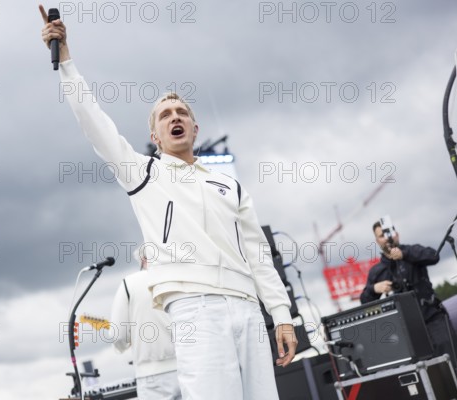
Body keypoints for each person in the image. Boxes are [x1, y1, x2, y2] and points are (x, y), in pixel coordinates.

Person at [39, 6, 297, 398]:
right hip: (195, 309)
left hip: (247, 307)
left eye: (182, 112)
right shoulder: (142, 173)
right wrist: (67, 62)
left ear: (196, 128)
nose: (174, 117)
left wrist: (281, 316)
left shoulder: (231, 186)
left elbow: (258, 255)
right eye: (165, 115)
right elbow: (93, 120)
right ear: (156, 136)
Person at [361, 221, 457, 364]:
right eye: (382, 235)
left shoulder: (413, 251)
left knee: (452, 361)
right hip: (406, 331)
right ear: (377, 241)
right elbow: (364, 301)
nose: (387, 238)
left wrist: (404, 254)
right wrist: (374, 289)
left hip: (434, 319)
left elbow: (434, 256)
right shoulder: (377, 271)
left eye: (389, 233)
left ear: (396, 234)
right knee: (424, 371)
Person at [109, 253, 181, 400]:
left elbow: (117, 335)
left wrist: (122, 345)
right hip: (186, 366)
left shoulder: (129, 283)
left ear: (142, 259)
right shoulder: (177, 277)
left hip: (151, 376)